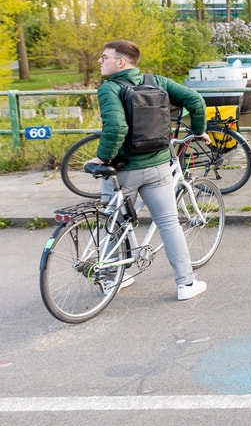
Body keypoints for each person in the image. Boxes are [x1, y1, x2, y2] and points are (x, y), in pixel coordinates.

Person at [86, 40, 210, 301]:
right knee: (168, 222)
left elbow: (117, 128)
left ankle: (113, 277)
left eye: (104, 57)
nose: (100, 61)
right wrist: (198, 130)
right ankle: (186, 284)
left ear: (120, 62)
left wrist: (102, 157)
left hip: (123, 171)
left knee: (115, 222)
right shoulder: (158, 81)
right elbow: (195, 100)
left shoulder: (110, 89)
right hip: (157, 166)